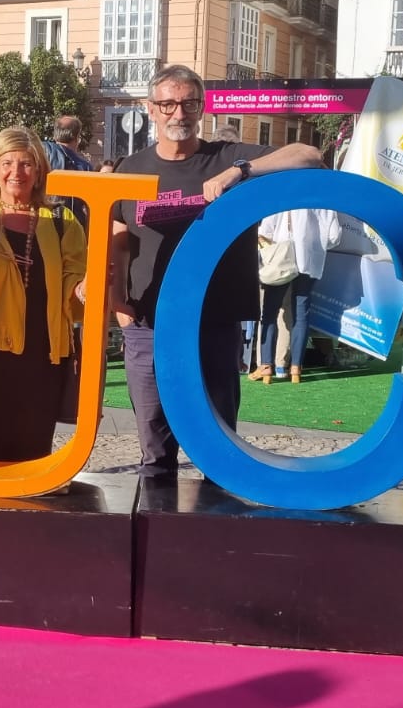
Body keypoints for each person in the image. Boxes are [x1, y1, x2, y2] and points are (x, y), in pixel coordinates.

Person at [110, 65, 326, 476]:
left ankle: (215, 510)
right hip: (149, 322)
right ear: (150, 109)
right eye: (167, 104)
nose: (178, 113)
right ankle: (156, 513)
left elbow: (309, 155)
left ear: (202, 108)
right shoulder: (130, 168)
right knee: (155, 452)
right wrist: (118, 304)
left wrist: (240, 170)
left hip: (215, 321)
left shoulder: (225, 158)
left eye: (189, 103)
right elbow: (118, 238)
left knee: (219, 447)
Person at [0, 127, 87, 461]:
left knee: (32, 460)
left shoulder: (63, 223)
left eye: (26, 163)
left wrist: (85, 289)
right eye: (7, 163)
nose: (16, 172)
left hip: (41, 363)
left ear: (39, 170)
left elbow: (74, 291)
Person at [249, 199, 341, 385]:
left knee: (270, 314)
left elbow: (266, 230)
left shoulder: (286, 194)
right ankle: (296, 368)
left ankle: (266, 366)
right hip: (310, 262)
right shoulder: (326, 201)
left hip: (282, 260)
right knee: (301, 315)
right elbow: (334, 237)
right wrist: (313, 243)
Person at [46, 115, 94, 224]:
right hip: (73, 223)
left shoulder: (42, 152)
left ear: (55, 135)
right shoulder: (85, 168)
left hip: (44, 220)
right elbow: (90, 207)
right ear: (77, 137)